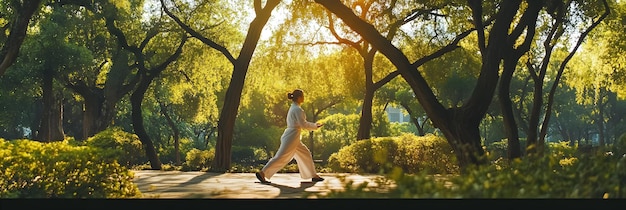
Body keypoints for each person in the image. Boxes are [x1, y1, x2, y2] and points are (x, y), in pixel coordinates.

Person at [255, 89, 324, 184]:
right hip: (292, 137)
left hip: (293, 136)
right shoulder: (298, 109)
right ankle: (263, 173)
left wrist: (314, 126)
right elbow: (303, 125)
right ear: (299, 98)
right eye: (303, 96)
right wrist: (315, 126)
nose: (304, 98)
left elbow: (301, 124)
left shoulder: (294, 108)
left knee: (306, 154)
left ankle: (313, 175)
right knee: (280, 156)